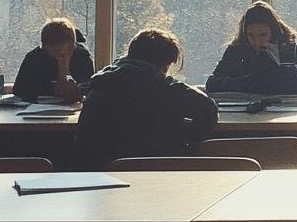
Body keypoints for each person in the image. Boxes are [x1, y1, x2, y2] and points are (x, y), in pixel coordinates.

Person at [75, 28, 218, 170]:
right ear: (164, 65)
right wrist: (184, 138)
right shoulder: (167, 89)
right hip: (155, 175)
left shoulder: (101, 85)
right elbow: (209, 109)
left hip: (100, 177)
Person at [206, 2, 297, 101]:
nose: (257, 41)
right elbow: (212, 83)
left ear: (274, 32)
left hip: (286, 114)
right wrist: (249, 81)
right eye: (251, 35)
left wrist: (287, 78)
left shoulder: (292, 51)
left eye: (263, 35)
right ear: (245, 34)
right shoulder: (236, 51)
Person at [12, 17, 95, 103]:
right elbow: (19, 89)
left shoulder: (82, 56)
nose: (58, 56)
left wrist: (76, 89)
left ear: (71, 45)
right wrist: (54, 89)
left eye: (61, 50)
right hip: (40, 108)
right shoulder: (35, 57)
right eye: (53, 50)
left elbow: (90, 87)